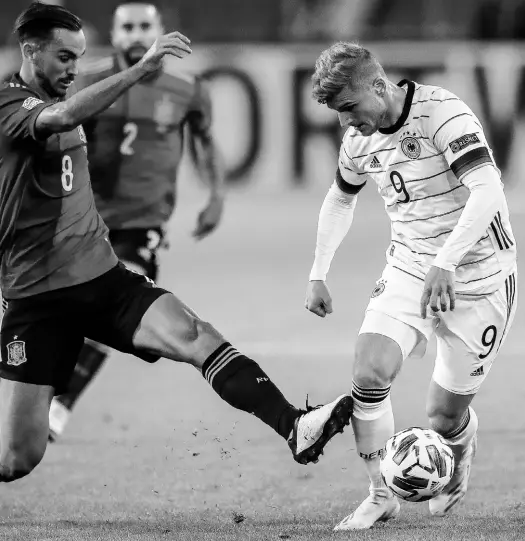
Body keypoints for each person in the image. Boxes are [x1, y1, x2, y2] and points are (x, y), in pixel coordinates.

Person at [0, 2, 354, 484]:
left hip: (101, 277)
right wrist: (142, 68)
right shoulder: (9, 102)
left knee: (194, 334)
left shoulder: (149, 93)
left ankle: (295, 425)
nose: (73, 69)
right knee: (19, 458)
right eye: (63, 57)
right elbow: (59, 118)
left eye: (78, 57)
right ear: (30, 51)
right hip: (36, 298)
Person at [305, 41, 517, 530]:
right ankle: (380, 494)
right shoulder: (358, 140)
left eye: (350, 109)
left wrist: (448, 261)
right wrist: (319, 271)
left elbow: (487, 190)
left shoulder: (442, 113)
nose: (347, 124)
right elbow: (340, 201)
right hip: (410, 267)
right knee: (370, 371)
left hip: (481, 275)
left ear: (379, 86)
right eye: (338, 115)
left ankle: (458, 455)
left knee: (443, 418)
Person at [48, 1, 225, 441]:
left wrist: (217, 194)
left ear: (160, 29)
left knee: (116, 302)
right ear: (114, 31)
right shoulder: (87, 81)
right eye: (127, 26)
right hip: (81, 217)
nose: (136, 34)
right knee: (60, 311)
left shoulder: (188, 88)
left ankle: (61, 402)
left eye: (145, 25)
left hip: (142, 222)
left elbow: (205, 141)